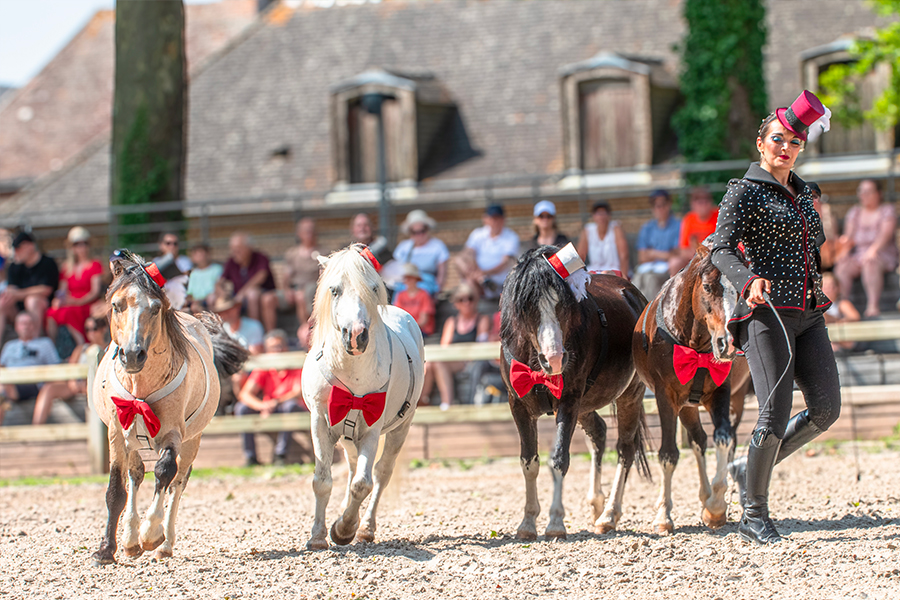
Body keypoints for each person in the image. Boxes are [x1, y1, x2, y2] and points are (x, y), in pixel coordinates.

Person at [711, 89, 841, 545]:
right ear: (761, 143)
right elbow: (720, 248)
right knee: (774, 412)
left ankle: (750, 468)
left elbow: (817, 244)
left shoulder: (805, 191)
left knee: (826, 408)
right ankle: (753, 514)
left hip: (809, 311)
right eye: (779, 140)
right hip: (767, 315)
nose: (786, 148)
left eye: (795, 143)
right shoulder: (743, 191)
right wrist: (748, 280)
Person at [236, 329, 306, 466]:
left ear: (286, 348)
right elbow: (245, 393)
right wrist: (261, 405)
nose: (277, 351)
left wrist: (275, 403)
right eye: (273, 347)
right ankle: (251, 457)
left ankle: (281, 455)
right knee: (241, 408)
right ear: (267, 350)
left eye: (280, 346)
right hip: (270, 408)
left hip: (291, 408)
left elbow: (298, 392)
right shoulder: (264, 367)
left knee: (290, 406)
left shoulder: (296, 364)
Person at [419, 283, 491, 410]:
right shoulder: (452, 321)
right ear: (455, 303)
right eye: (461, 300)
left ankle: (447, 402)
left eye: (470, 298)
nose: (466, 303)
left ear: (475, 300)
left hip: (471, 361)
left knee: (437, 363)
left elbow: (481, 344)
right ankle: (422, 399)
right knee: (429, 364)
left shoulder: (482, 319)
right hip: (453, 360)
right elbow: (444, 347)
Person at [834, 179, 898, 318]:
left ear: (878, 193)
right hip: (859, 254)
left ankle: (872, 307)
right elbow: (848, 236)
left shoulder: (887, 210)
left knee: (870, 262)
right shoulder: (855, 212)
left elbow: (885, 235)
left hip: (882, 253)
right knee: (843, 266)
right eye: (861, 191)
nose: (864, 195)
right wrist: (843, 253)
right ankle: (844, 307)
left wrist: (873, 250)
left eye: (868, 191)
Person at [32, 316, 109, 426]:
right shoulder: (81, 349)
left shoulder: (108, 349)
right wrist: (73, 381)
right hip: (76, 384)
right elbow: (71, 368)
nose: (90, 332)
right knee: (48, 388)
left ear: (103, 329)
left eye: (94, 328)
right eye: (87, 329)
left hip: (95, 386)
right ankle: (36, 426)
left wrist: (86, 385)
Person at [0, 312, 61, 426]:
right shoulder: (9, 346)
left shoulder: (44, 343)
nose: (26, 326)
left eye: (29, 323)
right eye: (23, 323)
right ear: (16, 327)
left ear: (35, 326)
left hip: (33, 384)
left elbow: (55, 366)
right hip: (9, 384)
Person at [261, 218, 322, 332]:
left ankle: (306, 331)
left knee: (301, 296)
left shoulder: (323, 252)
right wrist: (286, 289)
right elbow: (286, 275)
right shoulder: (292, 253)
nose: (310, 233)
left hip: (312, 290)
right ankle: (271, 334)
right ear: (299, 233)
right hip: (293, 289)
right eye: (306, 231)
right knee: (267, 298)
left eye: (312, 230)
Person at [45, 226, 103, 347]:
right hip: (71, 301)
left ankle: (80, 343)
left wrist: (77, 301)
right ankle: (52, 345)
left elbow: (95, 292)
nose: (81, 247)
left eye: (84, 243)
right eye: (77, 244)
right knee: (51, 313)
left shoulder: (95, 264)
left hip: (87, 302)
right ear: (71, 247)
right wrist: (59, 300)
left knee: (70, 312)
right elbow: (62, 290)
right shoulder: (67, 267)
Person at [0, 232, 59, 337]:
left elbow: (46, 289)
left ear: (30, 246)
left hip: (42, 308)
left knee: (32, 300)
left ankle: (34, 340)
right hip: (18, 313)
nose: (16, 252)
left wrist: (20, 293)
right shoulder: (14, 266)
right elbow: (11, 290)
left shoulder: (48, 263)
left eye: (19, 248)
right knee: (3, 302)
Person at [453, 204, 519, 298]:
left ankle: (482, 281)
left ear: (503, 219)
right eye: (492, 218)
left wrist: (484, 272)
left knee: (469, 281)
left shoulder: (511, 237)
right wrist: (476, 268)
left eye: (497, 218)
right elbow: (468, 252)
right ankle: (482, 280)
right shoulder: (478, 233)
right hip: (478, 278)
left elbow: (505, 262)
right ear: (485, 219)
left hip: (498, 282)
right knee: (460, 261)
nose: (494, 222)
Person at [632, 190, 681, 300]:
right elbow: (642, 257)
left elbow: (676, 254)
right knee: (637, 279)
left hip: (667, 268)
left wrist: (652, 253)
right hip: (649, 267)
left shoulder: (678, 225)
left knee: (651, 280)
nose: (660, 208)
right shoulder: (647, 227)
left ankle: (651, 312)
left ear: (669, 205)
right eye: (656, 205)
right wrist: (664, 254)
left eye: (663, 204)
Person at [391, 210, 449, 298]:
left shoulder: (438, 246)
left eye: (422, 231)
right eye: (415, 232)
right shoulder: (403, 247)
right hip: (404, 284)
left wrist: (437, 291)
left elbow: (442, 273)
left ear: (427, 229)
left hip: (427, 285)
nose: (419, 235)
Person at [220, 232, 275, 325]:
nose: (235, 253)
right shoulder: (231, 261)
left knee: (252, 294)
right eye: (233, 249)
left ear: (249, 248)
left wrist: (242, 293)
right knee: (213, 298)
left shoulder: (260, 257)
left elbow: (261, 276)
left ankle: (256, 330)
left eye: (238, 249)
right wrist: (221, 293)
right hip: (238, 296)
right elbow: (220, 281)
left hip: (263, 293)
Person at [672, 187, 720, 273]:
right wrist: (697, 255)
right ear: (693, 204)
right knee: (675, 263)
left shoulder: (718, 215)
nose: (703, 204)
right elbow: (683, 250)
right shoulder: (689, 219)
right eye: (699, 201)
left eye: (706, 200)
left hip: (715, 255)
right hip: (695, 257)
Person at [576, 201, 629, 276]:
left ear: (609, 215)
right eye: (598, 213)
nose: (601, 216)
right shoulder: (588, 230)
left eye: (603, 213)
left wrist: (624, 277)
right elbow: (580, 256)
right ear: (593, 216)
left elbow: (624, 256)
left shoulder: (616, 229)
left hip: (614, 272)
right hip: (594, 272)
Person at [393, 263, 436, 336]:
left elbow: (424, 320)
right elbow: (398, 315)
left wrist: (410, 328)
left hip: (421, 331)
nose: (407, 280)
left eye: (409, 278)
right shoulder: (400, 295)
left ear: (415, 279)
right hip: (405, 330)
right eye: (405, 278)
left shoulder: (424, 295)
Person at [821, 272, 860, 353]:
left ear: (837, 288)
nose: (828, 290)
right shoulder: (817, 307)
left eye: (831, 287)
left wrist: (838, 321)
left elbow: (855, 317)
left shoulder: (842, 304)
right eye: (825, 287)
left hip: (843, 342)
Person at [153, 232, 192, 311]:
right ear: (161, 245)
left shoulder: (185, 261)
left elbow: (188, 277)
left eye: (175, 244)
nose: (172, 246)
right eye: (168, 243)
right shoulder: (156, 261)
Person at [808, 183, 838, 271]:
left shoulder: (825, 212)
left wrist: (822, 215)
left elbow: (831, 236)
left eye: (815, 197)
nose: (813, 201)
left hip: (826, 258)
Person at [186, 243, 224, 314]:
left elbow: (220, 286)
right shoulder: (193, 274)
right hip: (197, 302)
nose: (200, 257)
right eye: (197, 255)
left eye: (201, 254)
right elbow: (190, 293)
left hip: (212, 299)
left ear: (208, 255)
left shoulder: (217, 269)